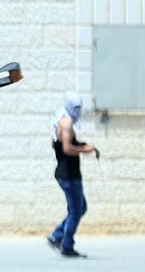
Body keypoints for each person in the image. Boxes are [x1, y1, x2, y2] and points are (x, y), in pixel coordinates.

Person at [47, 93, 97, 258]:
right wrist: (85, 149)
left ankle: (56, 235)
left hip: (68, 172)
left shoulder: (60, 119)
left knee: (80, 207)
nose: (77, 111)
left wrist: (81, 145)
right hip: (68, 174)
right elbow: (67, 149)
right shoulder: (67, 123)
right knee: (76, 210)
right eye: (75, 108)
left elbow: (57, 145)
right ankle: (66, 245)